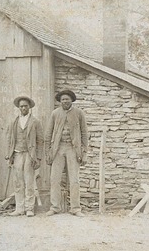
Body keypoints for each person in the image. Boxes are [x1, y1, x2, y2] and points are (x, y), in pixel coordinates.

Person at [44, 89, 88, 217]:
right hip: (58, 149)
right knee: (54, 179)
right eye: (62, 99)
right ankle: (55, 207)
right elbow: (48, 134)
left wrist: (84, 152)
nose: (65, 101)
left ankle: (75, 208)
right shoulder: (55, 113)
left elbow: (84, 133)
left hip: (73, 149)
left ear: (71, 100)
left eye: (67, 99)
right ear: (60, 101)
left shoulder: (79, 113)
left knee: (74, 179)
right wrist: (48, 152)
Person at [5, 96, 43, 217]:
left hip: (29, 154)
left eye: (25, 106)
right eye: (21, 106)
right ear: (18, 108)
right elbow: (10, 139)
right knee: (18, 182)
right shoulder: (14, 121)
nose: (23, 108)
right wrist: (9, 155)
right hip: (17, 153)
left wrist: (38, 157)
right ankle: (19, 208)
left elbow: (40, 141)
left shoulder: (35, 122)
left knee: (29, 181)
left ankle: (29, 208)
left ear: (29, 107)